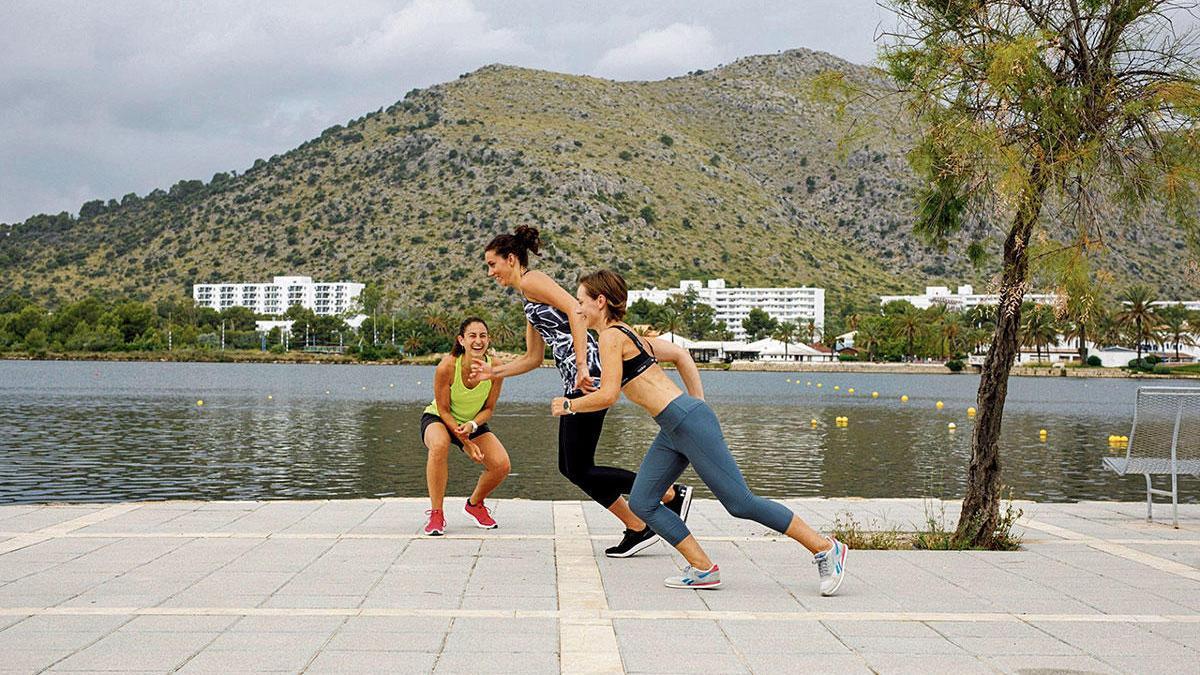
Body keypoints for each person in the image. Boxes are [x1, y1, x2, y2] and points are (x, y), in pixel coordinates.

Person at [552, 269, 847, 594]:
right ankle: (703, 568)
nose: (577, 309)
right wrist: (697, 403)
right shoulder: (629, 335)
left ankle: (825, 548)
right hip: (675, 425)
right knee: (643, 501)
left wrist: (569, 405)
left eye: (581, 302)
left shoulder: (610, 336)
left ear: (600, 301)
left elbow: (608, 395)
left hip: (685, 422)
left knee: (741, 503)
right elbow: (681, 354)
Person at [472, 226, 692, 557]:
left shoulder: (534, 281)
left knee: (577, 467)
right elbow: (533, 358)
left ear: (511, 259)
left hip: (587, 373)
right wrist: (495, 371)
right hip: (576, 376)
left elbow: (577, 312)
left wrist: (583, 365)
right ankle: (639, 523)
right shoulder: (528, 298)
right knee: (574, 467)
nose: (491, 273)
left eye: (492, 264)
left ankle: (668, 496)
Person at [421, 317, 510, 536]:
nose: (478, 341)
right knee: (440, 445)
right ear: (461, 340)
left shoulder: (496, 367)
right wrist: (465, 443)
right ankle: (436, 514)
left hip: (472, 422)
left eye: (483, 336)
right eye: (472, 336)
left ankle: (474, 505)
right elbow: (443, 409)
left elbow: (489, 408)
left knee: (501, 465)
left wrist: (471, 425)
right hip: (440, 419)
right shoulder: (447, 366)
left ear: (488, 340)